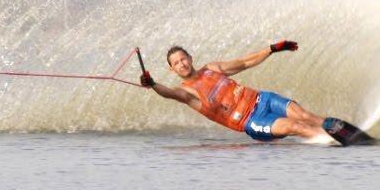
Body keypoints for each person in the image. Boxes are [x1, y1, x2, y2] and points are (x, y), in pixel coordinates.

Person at [139, 41, 342, 144]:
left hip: (263, 99)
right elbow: (168, 93)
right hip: (252, 121)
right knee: (294, 126)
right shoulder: (187, 92)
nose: (181, 64)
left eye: (183, 59)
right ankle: (331, 141)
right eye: (176, 63)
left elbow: (245, 62)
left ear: (190, 58)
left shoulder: (212, 68)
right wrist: (153, 83)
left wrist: (271, 49)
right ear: (172, 69)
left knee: (306, 116)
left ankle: (343, 131)